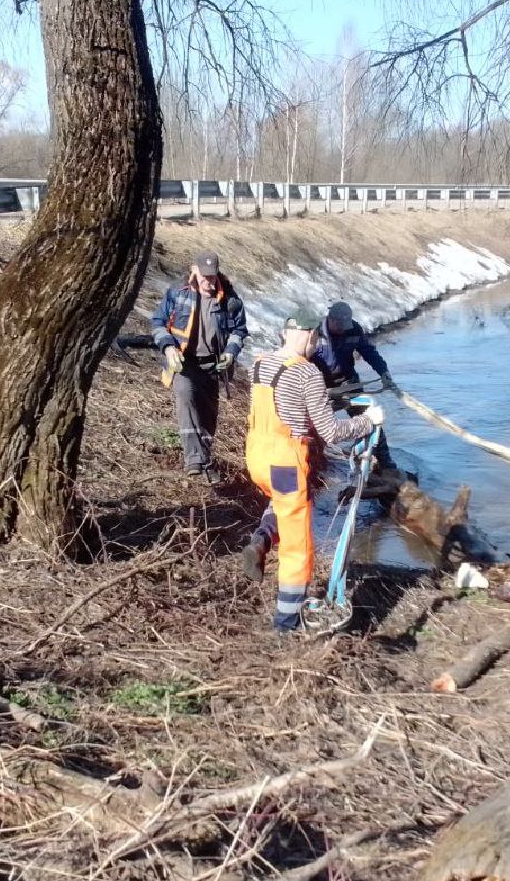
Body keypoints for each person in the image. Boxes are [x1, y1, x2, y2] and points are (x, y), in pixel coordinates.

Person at [243, 310, 385, 634]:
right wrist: (368, 421)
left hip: (256, 457)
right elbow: (331, 432)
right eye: (315, 339)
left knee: (280, 503)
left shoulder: (260, 363)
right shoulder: (307, 374)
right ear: (308, 336)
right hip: (284, 461)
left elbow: (282, 407)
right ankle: (286, 624)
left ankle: (261, 540)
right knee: (297, 547)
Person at [150, 252, 248, 484]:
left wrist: (230, 353)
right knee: (186, 398)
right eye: (204, 277)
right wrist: (168, 347)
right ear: (194, 270)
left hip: (213, 366)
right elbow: (157, 323)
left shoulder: (230, 300)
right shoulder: (177, 293)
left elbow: (239, 331)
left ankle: (204, 461)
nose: (208, 282)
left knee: (207, 417)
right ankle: (194, 461)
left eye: (212, 277)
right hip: (184, 363)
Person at [314, 300, 397, 470]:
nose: (344, 329)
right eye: (340, 325)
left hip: (348, 382)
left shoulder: (354, 329)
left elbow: (368, 352)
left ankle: (384, 461)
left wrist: (383, 372)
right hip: (319, 385)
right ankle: (316, 461)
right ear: (331, 319)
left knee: (370, 417)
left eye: (347, 324)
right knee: (315, 425)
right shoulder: (314, 334)